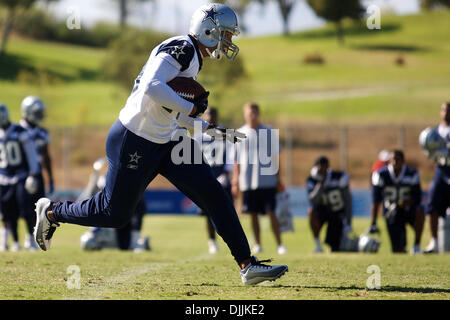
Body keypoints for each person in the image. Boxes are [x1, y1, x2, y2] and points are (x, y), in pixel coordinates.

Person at [33, 3, 288, 285]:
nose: (228, 41)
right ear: (208, 31)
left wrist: (208, 129)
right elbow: (152, 88)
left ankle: (247, 265)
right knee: (113, 214)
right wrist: (190, 110)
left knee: (214, 193)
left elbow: (169, 110)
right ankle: (52, 211)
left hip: (167, 140)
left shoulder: (192, 57)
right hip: (135, 139)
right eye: (225, 34)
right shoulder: (183, 48)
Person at [232, 102, 287, 255]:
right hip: (248, 181)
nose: (252, 116)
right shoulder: (239, 133)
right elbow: (236, 161)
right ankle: (258, 244)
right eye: (250, 113)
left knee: (271, 212)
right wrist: (235, 181)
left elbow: (276, 157)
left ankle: (280, 244)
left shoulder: (269, 132)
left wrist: (278, 178)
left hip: (267, 180)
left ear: (258, 113)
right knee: (253, 214)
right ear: (245, 114)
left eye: (255, 112)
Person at [78, 157, 150, 252]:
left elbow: (138, 208)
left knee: (125, 246)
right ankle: (136, 242)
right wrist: (94, 176)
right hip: (108, 224)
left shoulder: (127, 184)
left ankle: (136, 241)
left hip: (122, 219)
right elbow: (88, 198)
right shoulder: (101, 189)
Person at [0, 103, 40, 252]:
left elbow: (31, 154)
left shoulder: (20, 132)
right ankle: (15, 241)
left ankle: (30, 239)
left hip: (20, 176)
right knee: (8, 212)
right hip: (3, 178)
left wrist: (33, 173)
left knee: (26, 209)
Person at [194, 107, 233, 254]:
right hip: (206, 175)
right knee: (208, 212)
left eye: (213, 115)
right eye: (208, 115)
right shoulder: (199, 135)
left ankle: (231, 241)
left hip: (221, 175)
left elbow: (231, 153)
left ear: (217, 117)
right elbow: (194, 156)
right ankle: (212, 241)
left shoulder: (224, 133)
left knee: (227, 210)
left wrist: (226, 174)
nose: (210, 118)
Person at [370, 150, 424, 254]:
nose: (395, 162)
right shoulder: (381, 174)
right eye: (393, 160)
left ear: (403, 161)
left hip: (408, 209)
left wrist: (401, 204)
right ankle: (401, 246)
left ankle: (416, 245)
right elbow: (376, 200)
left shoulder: (411, 174)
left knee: (420, 211)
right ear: (389, 161)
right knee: (398, 250)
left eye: (397, 160)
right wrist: (373, 222)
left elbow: (417, 198)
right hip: (391, 212)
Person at [19, 96, 54, 250]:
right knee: (23, 207)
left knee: (38, 207)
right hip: (21, 174)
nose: (40, 115)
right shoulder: (17, 130)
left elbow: (46, 156)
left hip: (37, 174)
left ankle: (32, 237)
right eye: (37, 112)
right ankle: (20, 237)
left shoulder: (42, 133)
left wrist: (50, 178)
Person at [306, 156, 353, 253]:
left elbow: (347, 200)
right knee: (311, 212)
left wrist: (348, 221)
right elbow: (312, 200)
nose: (323, 170)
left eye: (324, 167)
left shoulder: (338, 177)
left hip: (336, 212)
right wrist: (320, 186)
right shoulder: (312, 180)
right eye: (320, 167)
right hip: (321, 211)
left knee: (336, 247)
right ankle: (318, 245)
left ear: (328, 167)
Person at [421, 102, 450, 253]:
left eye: (448, 110)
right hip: (442, 171)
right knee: (432, 204)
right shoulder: (436, 132)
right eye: (444, 110)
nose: (446, 113)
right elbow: (431, 156)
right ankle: (434, 242)